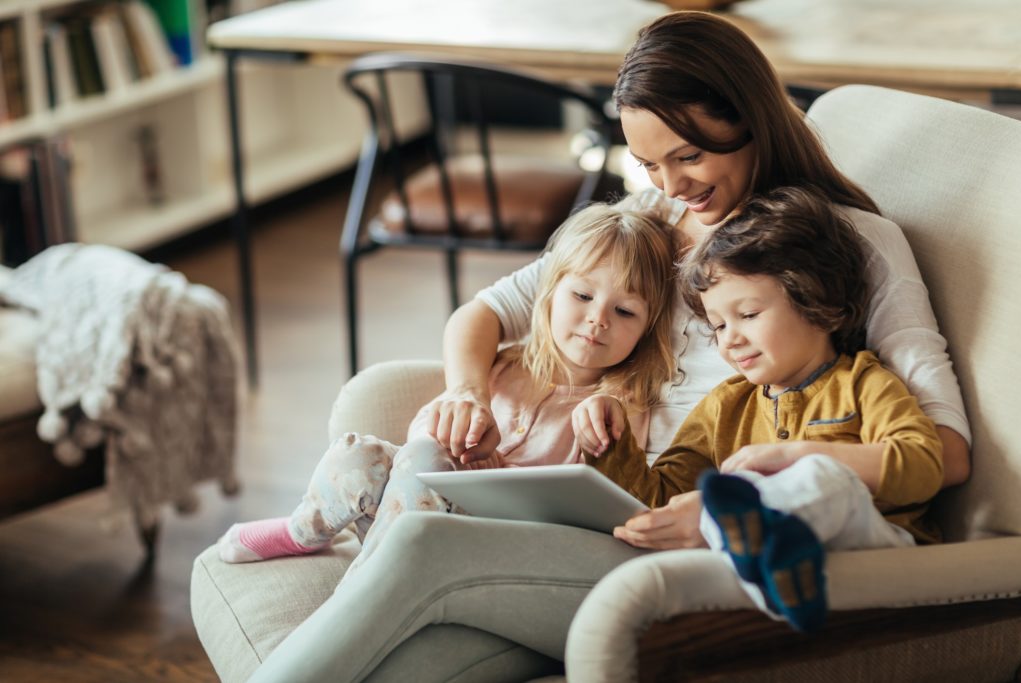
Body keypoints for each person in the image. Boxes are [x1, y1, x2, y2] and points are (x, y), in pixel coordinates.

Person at [247, 11, 971, 682]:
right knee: (422, 642)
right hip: (606, 504)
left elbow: (948, 450)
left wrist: (735, 501)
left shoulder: (857, 244)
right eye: (649, 163)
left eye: (687, 156)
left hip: (702, 540)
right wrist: (466, 390)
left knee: (422, 543)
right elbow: (488, 312)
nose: (670, 185)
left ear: (749, 118)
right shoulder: (650, 221)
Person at [218, 204, 678, 574]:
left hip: (486, 539)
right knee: (363, 454)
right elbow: (427, 430)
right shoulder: (504, 365)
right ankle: (303, 532)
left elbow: (577, 503)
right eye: (582, 296)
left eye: (625, 312)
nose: (598, 319)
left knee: (425, 461)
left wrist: (487, 467)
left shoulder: (616, 408)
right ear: (550, 295)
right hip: (410, 510)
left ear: (647, 329)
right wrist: (457, 433)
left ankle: (367, 588)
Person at [579, 186, 943, 632]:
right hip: (769, 580)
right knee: (717, 498)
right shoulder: (724, 406)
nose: (729, 338)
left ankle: (767, 543)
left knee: (821, 477)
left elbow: (925, 464)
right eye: (718, 325)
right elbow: (661, 499)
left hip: (876, 556)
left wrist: (799, 455)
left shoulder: (864, 382)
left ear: (815, 301)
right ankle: (771, 568)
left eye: (748, 315)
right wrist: (610, 441)